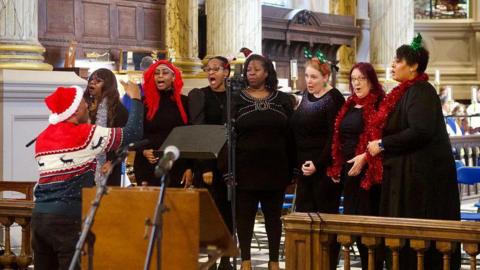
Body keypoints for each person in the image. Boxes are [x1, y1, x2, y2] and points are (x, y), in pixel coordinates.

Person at [366, 34, 460, 270]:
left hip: (421, 179)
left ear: (414, 65)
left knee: (419, 235)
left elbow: (420, 131)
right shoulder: (404, 92)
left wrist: (383, 144)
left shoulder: (422, 91)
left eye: (397, 61)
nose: (392, 65)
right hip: (406, 174)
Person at [32, 82, 143, 270]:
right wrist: (136, 99)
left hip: (39, 217)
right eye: (83, 102)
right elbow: (133, 133)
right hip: (67, 219)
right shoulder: (85, 134)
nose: (87, 105)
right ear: (75, 111)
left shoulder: (42, 138)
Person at [233, 54, 294, 270]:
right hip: (244, 169)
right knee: (245, 218)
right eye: (248, 69)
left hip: (275, 169)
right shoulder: (235, 99)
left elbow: (290, 136)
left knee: (273, 219)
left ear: (267, 72)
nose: (251, 72)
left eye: (256, 69)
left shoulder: (283, 100)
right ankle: (246, 261)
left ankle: (274, 261)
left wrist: (292, 170)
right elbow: (228, 137)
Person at [289, 50, 344, 269]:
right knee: (305, 220)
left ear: (325, 78)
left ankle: (327, 263)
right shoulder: (306, 95)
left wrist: (318, 164)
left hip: (324, 169)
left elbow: (334, 137)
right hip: (304, 168)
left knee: (324, 222)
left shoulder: (334, 98)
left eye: (314, 77)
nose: (308, 81)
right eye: (307, 76)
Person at [327, 62, 385, 270]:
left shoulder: (380, 104)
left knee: (370, 229)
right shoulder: (349, 104)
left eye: (361, 78)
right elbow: (338, 137)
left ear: (371, 80)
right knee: (356, 226)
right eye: (353, 79)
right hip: (350, 173)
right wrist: (336, 164)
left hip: (370, 174)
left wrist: (365, 157)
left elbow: (382, 139)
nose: (357, 83)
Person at [188, 56, 233, 270]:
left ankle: (226, 258)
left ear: (227, 72)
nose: (211, 72)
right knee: (211, 214)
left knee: (228, 212)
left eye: (216, 69)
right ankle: (211, 261)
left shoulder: (234, 96)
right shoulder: (200, 96)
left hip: (231, 164)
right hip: (209, 164)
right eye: (208, 69)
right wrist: (205, 165)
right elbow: (199, 131)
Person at [133, 60, 192, 187]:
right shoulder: (144, 103)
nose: (160, 76)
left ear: (173, 77)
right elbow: (136, 132)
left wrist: (189, 167)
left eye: (165, 73)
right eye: (156, 73)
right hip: (149, 164)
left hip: (177, 164)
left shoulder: (185, 102)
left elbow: (189, 137)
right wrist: (143, 151)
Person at [84, 68, 129, 186]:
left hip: (108, 164)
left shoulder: (119, 110)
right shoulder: (85, 107)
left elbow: (124, 141)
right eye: (91, 80)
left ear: (108, 85)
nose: (92, 83)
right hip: (86, 163)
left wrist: (113, 162)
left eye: (97, 81)